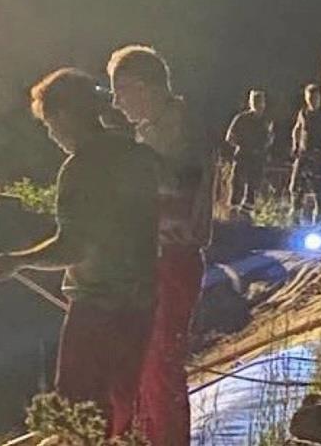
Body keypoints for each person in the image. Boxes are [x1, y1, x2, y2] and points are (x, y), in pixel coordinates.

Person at [0, 68, 160, 437]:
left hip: (98, 305)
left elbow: (74, 246)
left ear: (64, 115)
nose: (52, 134)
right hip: (141, 302)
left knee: (78, 408)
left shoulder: (80, 169)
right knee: (122, 404)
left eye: (50, 124)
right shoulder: (135, 155)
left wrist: (18, 261)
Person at [107, 45, 213, 446]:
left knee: (158, 364)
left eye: (120, 91)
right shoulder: (154, 131)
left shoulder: (177, 132)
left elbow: (176, 192)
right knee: (136, 361)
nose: (116, 103)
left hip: (170, 259)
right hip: (153, 257)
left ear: (144, 87)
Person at [289, 83, 321, 224]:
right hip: (304, 155)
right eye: (310, 98)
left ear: (320, 98)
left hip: (320, 156)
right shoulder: (303, 113)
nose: (312, 101)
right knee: (296, 186)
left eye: (315, 98)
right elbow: (297, 129)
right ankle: (295, 215)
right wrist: (295, 145)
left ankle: (319, 219)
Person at [225, 89, 274, 214]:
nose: (258, 104)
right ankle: (233, 210)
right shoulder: (241, 118)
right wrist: (242, 146)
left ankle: (247, 212)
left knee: (253, 186)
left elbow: (270, 138)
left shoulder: (266, 121)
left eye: (260, 101)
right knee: (237, 183)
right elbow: (230, 137)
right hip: (243, 155)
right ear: (250, 103)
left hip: (258, 158)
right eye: (255, 101)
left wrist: (263, 148)